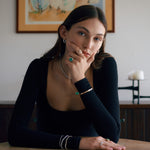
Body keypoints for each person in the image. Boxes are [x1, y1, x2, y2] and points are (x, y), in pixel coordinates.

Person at [8, 5, 126, 150]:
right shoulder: (39, 68)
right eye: (82, 34)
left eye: (97, 39)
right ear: (64, 32)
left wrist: (80, 79)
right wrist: (76, 143)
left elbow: (112, 135)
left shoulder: (105, 66)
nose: (88, 45)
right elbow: (15, 133)